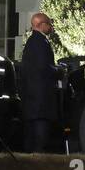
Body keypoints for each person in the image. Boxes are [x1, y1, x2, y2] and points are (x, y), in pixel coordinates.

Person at [20, 12, 59, 153]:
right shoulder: (40, 42)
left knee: (32, 130)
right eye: (48, 23)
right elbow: (43, 66)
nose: (51, 26)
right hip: (41, 96)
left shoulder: (31, 42)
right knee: (40, 131)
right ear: (41, 25)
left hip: (32, 96)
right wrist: (58, 71)